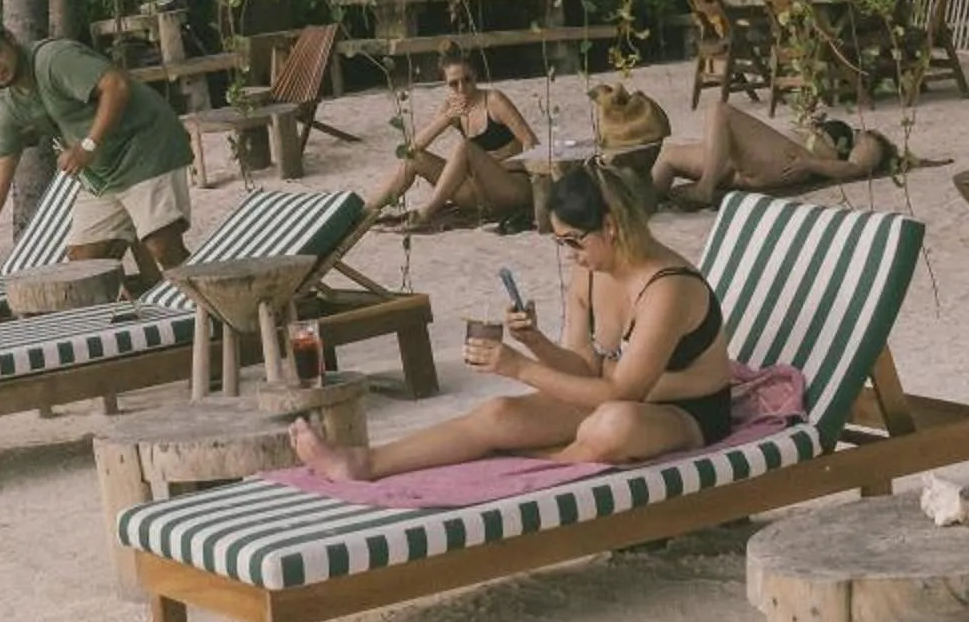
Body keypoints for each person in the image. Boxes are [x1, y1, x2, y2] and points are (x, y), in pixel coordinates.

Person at [291, 165, 735, 482]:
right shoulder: (590, 270)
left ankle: (516, 468)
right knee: (499, 413)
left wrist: (520, 368)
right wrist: (535, 342)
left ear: (610, 226)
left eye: (573, 241)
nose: (569, 254)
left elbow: (624, 393)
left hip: (684, 413)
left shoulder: (667, 289)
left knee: (610, 427)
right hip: (605, 398)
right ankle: (363, 463)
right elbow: (582, 366)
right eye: (561, 242)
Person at [0, 15, 195, 288]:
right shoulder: (11, 106)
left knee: (162, 245)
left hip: (148, 146)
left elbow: (116, 85)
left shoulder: (53, 59)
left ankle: (219, 309)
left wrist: (88, 145)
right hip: (104, 174)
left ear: (10, 39)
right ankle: (141, 310)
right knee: (84, 268)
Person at [367, 51, 536, 229]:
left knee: (465, 147)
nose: (462, 88)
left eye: (467, 80)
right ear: (446, 84)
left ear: (475, 76)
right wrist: (445, 119)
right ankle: (367, 210)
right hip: (478, 193)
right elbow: (412, 149)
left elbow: (530, 140)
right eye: (454, 84)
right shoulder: (451, 107)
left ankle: (427, 212)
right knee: (415, 158)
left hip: (511, 186)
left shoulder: (493, 100)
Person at [651, 92, 898, 209]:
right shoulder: (846, 131)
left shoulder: (871, 141)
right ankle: (640, 208)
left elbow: (855, 167)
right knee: (669, 156)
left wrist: (812, 164)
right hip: (756, 158)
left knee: (720, 111)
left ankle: (705, 189)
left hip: (785, 160)